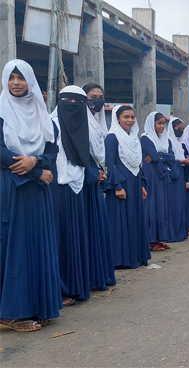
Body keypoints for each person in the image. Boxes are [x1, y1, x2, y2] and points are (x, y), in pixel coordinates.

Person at [0, 60, 61, 331]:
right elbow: (2, 153)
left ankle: (37, 305)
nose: (16, 83)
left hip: (37, 190)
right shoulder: (1, 111)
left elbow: (51, 149)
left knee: (37, 245)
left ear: (30, 82)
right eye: (11, 77)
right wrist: (37, 172)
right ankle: (11, 313)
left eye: (21, 78)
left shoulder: (40, 113)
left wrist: (37, 161)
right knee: (17, 246)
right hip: (11, 187)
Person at [49, 86, 92, 306]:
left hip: (75, 186)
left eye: (79, 102)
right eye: (68, 101)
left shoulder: (83, 126)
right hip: (55, 187)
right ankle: (59, 289)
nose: (73, 106)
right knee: (59, 238)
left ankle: (74, 287)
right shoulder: (51, 123)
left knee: (73, 237)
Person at [104, 105, 149, 269]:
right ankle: (120, 259)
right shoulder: (112, 138)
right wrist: (117, 186)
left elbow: (138, 163)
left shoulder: (134, 139)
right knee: (120, 220)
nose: (130, 120)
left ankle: (135, 256)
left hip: (135, 182)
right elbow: (110, 164)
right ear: (117, 119)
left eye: (132, 117)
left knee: (134, 218)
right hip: (121, 183)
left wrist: (142, 185)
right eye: (126, 117)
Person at [82, 83, 116, 290]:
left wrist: (98, 172)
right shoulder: (79, 121)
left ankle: (97, 275)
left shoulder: (97, 124)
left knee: (96, 229)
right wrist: (92, 172)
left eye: (100, 97)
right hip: (82, 180)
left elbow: (98, 155)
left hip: (95, 178)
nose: (97, 100)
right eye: (92, 96)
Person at [140, 112, 173, 252]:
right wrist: (159, 157)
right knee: (152, 205)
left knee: (161, 205)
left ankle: (159, 237)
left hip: (161, 174)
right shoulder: (146, 138)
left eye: (163, 124)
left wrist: (159, 157)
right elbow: (153, 156)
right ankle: (150, 240)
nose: (161, 126)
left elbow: (171, 156)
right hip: (151, 175)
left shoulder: (165, 139)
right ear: (151, 123)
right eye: (159, 123)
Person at [166, 117, 189, 241]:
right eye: (178, 129)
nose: (180, 131)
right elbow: (167, 160)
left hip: (180, 174)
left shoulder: (180, 144)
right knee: (174, 204)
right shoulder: (167, 141)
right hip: (173, 176)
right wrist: (181, 161)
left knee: (181, 203)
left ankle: (182, 231)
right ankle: (173, 233)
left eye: (182, 129)